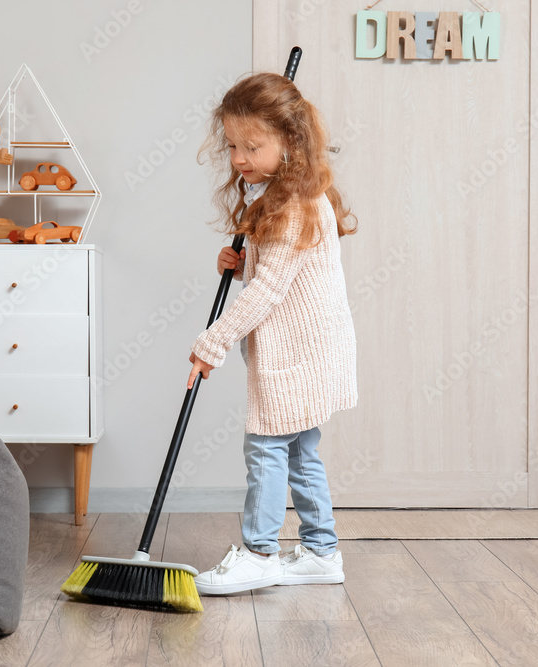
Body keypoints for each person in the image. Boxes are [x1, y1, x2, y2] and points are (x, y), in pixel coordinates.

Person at [186, 72, 358, 595]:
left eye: (252, 146)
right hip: (311, 349)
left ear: (290, 141)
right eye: (233, 145)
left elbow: (268, 293)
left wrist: (209, 342)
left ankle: (260, 552)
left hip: (296, 356)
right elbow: (279, 276)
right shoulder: (290, 196)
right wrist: (240, 265)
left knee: (265, 448)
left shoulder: (292, 207)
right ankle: (321, 552)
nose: (238, 158)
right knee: (302, 452)